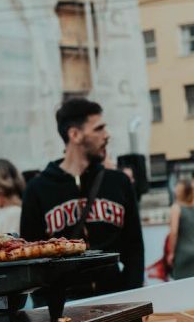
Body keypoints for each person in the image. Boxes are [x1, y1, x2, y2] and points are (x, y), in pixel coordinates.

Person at [21, 98, 144, 296]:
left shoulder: (118, 182)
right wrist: (47, 307)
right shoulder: (38, 190)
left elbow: (134, 247)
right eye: (99, 128)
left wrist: (132, 295)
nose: (107, 135)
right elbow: (31, 259)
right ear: (75, 134)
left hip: (115, 299)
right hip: (64, 307)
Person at [167, 178, 194, 279]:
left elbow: (174, 232)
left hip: (183, 253)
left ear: (179, 192)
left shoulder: (176, 208)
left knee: (182, 289)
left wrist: (171, 253)